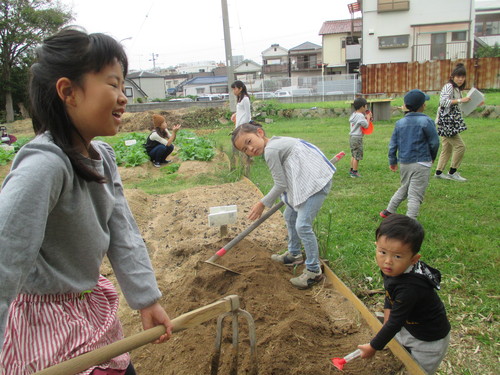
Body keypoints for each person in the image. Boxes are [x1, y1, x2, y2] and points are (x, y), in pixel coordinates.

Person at [0, 28, 172, 374]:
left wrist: (146, 299)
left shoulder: (103, 157)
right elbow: (5, 255)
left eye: (123, 86)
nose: (123, 97)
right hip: (44, 323)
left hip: (89, 305)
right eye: (112, 84)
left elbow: (122, 232)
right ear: (68, 92)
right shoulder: (44, 165)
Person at [232, 123, 335, 289]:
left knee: (302, 225)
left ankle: (313, 271)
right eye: (245, 149)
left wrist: (262, 203)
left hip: (316, 183)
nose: (250, 149)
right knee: (289, 215)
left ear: (260, 133)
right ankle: (294, 254)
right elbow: (285, 180)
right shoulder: (273, 144)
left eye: (249, 141)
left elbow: (280, 184)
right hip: (309, 179)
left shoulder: (271, 150)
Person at [358, 214, 451, 375]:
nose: (387, 261)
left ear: (414, 259)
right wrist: (387, 315)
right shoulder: (393, 269)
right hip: (408, 325)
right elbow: (390, 292)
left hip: (428, 339)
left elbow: (395, 322)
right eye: (382, 252)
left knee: (418, 370)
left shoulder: (410, 288)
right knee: (399, 351)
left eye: (397, 256)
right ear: (376, 246)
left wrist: (373, 346)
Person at [379, 89, 440, 220]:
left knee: (405, 187)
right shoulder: (427, 121)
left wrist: (392, 161)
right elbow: (434, 142)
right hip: (422, 163)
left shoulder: (399, 123)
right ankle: (411, 221)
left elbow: (392, 145)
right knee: (415, 194)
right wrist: (432, 157)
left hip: (404, 163)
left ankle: (388, 211)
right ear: (422, 105)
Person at [434, 63, 471, 181]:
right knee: (460, 146)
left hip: (449, 122)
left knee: (447, 148)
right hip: (446, 123)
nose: (460, 79)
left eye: (462, 77)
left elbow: (457, 104)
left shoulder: (457, 89)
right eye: (458, 76)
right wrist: (461, 100)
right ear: (453, 76)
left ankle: (439, 173)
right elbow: (443, 102)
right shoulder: (449, 87)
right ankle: (452, 172)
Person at [349, 97, 371, 178]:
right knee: (357, 156)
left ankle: (351, 170)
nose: (366, 108)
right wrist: (368, 117)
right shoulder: (360, 116)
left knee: (353, 154)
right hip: (357, 138)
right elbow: (366, 125)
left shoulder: (354, 114)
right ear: (362, 107)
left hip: (352, 137)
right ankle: (355, 172)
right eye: (366, 106)